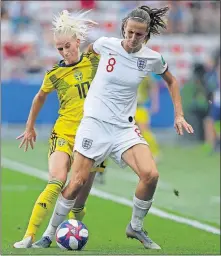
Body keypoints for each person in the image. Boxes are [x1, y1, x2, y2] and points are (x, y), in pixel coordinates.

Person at [38, 5, 194, 250]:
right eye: (130, 32)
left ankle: (136, 226)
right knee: (78, 180)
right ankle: (49, 233)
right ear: (124, 28)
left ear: (146, 35)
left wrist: (179, 114)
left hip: (124, 128)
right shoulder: (105, 44)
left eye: (139, 35)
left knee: (150, 175)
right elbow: (87, 55)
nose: (132, 38)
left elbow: (172, 81)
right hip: (94, 124)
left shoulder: (152, 59)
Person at [13, 10, 106, 248]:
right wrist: (30, 126)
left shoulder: (93, 61)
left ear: (77, 42)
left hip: (92, 136)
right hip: (64, 132)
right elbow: (39, 98)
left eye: (68, 46)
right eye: (59, 49)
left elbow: (106, 46)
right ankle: (31, 235)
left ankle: (73, 226)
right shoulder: (54, 74)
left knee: (80, 192)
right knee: (57, 180)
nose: (65, 52)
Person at [135, 75, 160, 161]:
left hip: (139, 107)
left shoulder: (143, 72)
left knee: (144, 131)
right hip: (127, 107)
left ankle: (154, 153)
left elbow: (153, 86)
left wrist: (155, 103)